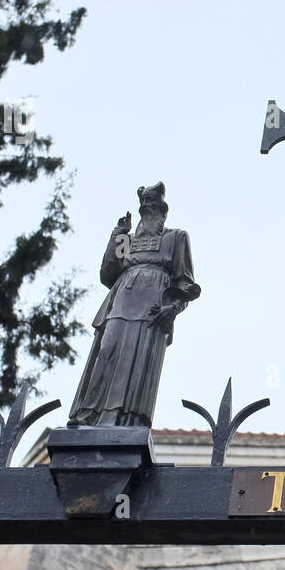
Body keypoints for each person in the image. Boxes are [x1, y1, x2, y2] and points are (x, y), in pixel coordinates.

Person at [67, 182, 199, 427]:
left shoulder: (176, 237)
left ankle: (124, 420)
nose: (149, 213)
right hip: (120, 301)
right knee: (107, 351)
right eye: (145, 209)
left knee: (135, 360)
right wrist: (116, 236)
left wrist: (174, 307)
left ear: (162, 211)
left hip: (153, 308)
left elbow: (185, 282)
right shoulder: (126, 241)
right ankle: (89, 414)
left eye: (154, 208)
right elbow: (108, 274)